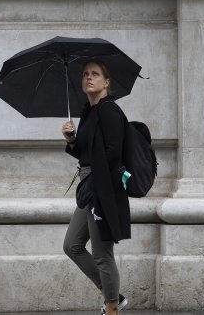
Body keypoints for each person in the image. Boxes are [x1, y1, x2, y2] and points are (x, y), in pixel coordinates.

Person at [62, 59, 131, 315]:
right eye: (85, 75)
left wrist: (102, 189)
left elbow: (114, 153)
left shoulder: (109, 110)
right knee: (72, 245)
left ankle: (112, 308)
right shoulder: (89, 112)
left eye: (95, 74)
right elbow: (85, 152)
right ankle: (114, 295)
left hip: (102, 186)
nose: (89, 78)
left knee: (102, 254)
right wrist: (71, 140)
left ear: (106, 82)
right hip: (88, 184)